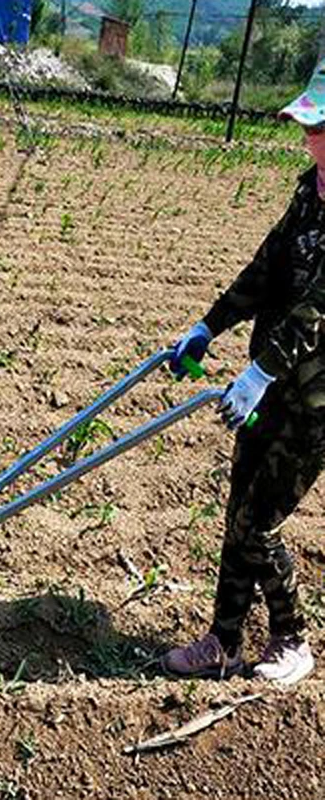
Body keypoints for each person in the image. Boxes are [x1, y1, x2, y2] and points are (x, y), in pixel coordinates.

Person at [163, 62, 325, 685]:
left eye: (318, 127)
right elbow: (266, 269)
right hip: (271, 384)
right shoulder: (310, 191)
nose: (308, 137)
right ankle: (224, 642)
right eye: (307, 126)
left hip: (315, 404)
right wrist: (209, 325)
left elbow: (316, 311)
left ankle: (292, 640)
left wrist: (257, 373)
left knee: (261, 522)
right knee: (238, 513)